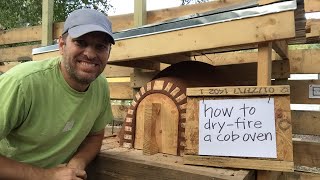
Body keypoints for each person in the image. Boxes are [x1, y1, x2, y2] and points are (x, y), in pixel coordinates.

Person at [0, 8, 114, 179]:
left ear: (109, 52)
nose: (90, 54)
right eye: (81, 43)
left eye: (100, 46)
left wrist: (78, 163)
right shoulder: (23, 83)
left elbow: (96, 135)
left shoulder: (100, 86)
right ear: (61, 45)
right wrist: (47, 176)